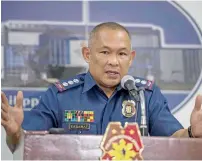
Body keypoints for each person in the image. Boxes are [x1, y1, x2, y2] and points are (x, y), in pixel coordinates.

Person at [1, 22, 202, 153]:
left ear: (131, 58)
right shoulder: (60, 95)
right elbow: (25, 145)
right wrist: (14, 132)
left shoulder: (145, 95)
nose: (114, 62)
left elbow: (176, 141)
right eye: (105, 52)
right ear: (87, 54)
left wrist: (193, 132)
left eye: (122, 54)